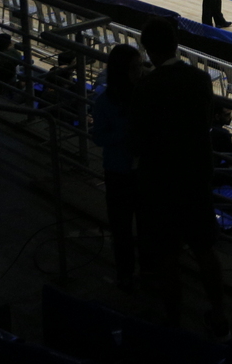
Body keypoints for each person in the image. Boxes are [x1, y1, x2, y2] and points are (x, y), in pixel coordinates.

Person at [133, 17, 229, 338]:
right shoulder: (200, 79)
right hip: (196, 175)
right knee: (205, 250)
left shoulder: (146, 87)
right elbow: (204, 121)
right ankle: (218, 315)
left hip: (160, 181)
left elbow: (141, 136)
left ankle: (173, 322)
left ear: (148, 50)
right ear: (176, 45)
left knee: (167, 255)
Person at [91, 44, 142, 289]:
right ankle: (125, 275)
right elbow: (98, 137)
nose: (139, 73)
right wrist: (125, 133)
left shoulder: (144, 95)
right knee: (121, 230)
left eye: (140, 67)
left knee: (146, 227)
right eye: (133, 69)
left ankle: (147, 273)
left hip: (143, 172)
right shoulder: (104, 101)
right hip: (119, 173)